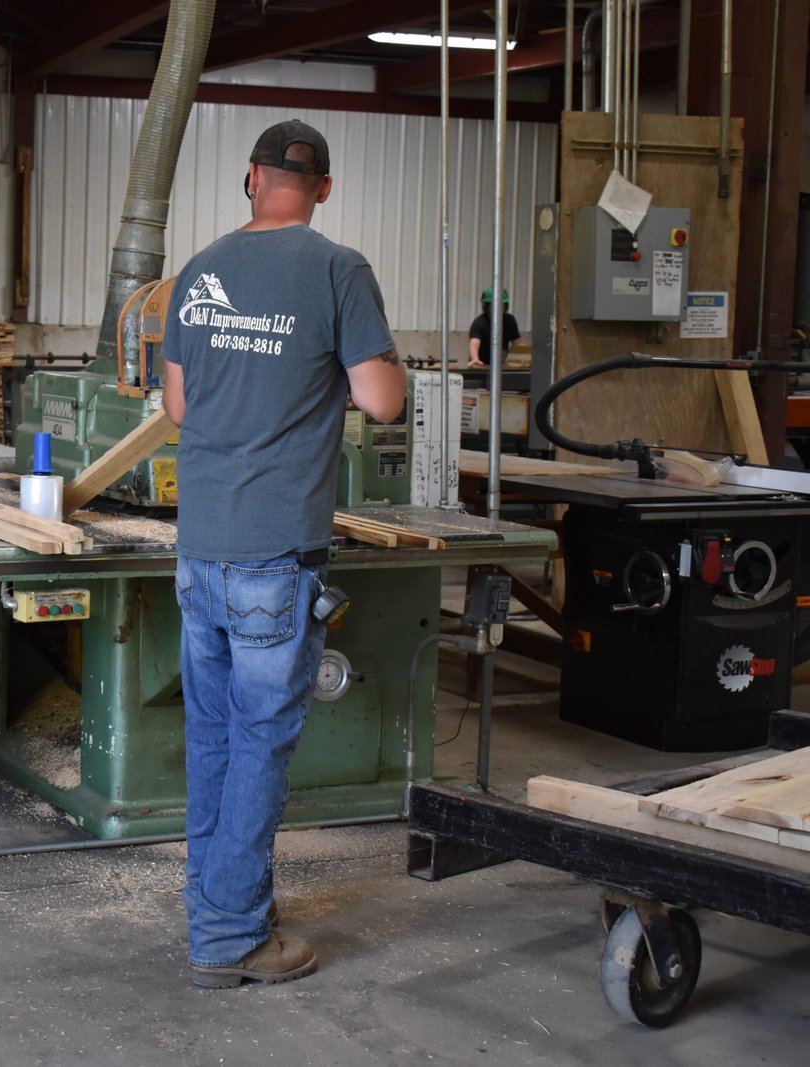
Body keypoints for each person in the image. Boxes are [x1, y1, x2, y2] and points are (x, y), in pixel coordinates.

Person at [160, 120, 406, 989]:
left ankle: (217, 909)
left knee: (213, 739)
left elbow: (179, 407)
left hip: (201, 548)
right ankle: (229, 935)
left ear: (252, 177)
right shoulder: (338, 270)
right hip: (274, 553)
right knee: (260, 743)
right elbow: (382, 401)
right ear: (324, 187)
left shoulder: (199, 271)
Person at [467, 286, 520, 368]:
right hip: (481, 366)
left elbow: (517, 343)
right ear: (487, 307)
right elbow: (474, 343)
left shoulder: (510, 321)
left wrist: (527, 356)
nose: (497, 309)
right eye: (493, 306)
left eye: (500, 305)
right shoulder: (479, 323)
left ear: (505, 306)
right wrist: (475, 359)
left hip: (500, 366)